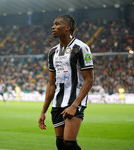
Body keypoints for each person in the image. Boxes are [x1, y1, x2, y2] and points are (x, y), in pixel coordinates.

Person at [38, 15, 94, 150]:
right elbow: (51, 84)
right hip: (58, 102)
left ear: (68, 28)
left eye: (57, 24)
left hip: (74, 101)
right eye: (53, 24)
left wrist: (75, 105)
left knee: (69, 144)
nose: (53, 27)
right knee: (61, 144)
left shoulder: (81, 48)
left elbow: (89, 79)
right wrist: (43, 111)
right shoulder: (52, 52)